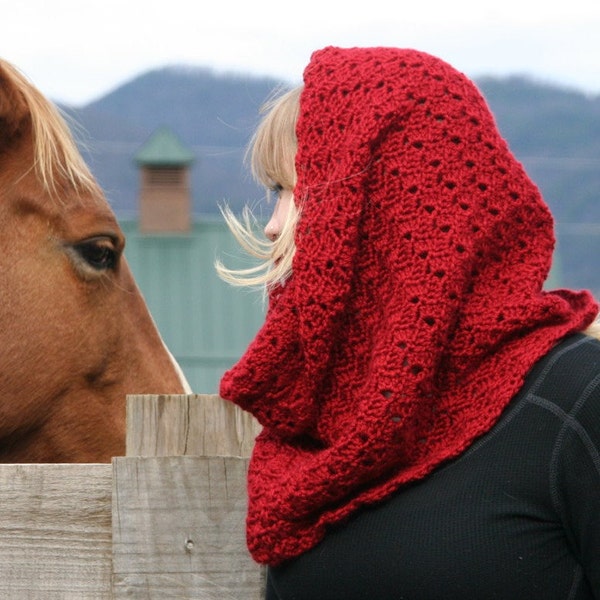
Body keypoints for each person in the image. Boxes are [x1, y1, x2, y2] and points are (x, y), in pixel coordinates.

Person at [215, 46, 600, 599]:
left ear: (384, 203)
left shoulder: (575, 399)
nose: (274, 226)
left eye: (294, 190)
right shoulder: (318, 429)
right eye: (274, 191)